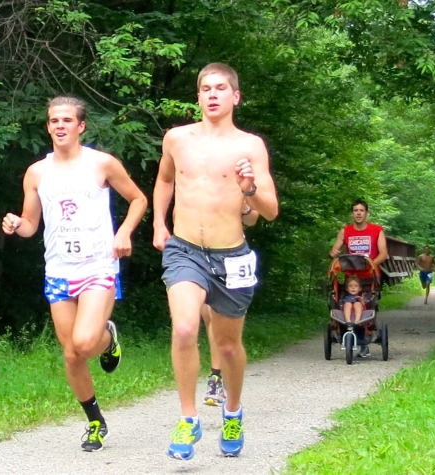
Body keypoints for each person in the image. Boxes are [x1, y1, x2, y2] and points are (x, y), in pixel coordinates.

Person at [1, 96, 147, 452]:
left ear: (81, 126)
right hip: (59, 269)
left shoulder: (101, 164)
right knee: (72, 354)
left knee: (84, 342)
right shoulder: (37, 172)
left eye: (67, 120)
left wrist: (124, 232)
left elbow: (138, 199)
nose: (60, 126)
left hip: (98, 265)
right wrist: (17, 224)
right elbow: (31, 224)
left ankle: (106, 337)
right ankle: (95, 422)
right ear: (48, 127)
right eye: (54, 121)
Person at [152, 63, 278, 460]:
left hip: (232, 256)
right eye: (205, 88)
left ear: (235, 96)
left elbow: (269, 210)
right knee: (186, 327)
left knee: (226, 346)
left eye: (221, 88)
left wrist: (249, 189)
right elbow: (165, 180)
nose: (212, 94)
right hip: (185, 248)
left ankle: (233, 411)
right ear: (198, 96)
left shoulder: (250, 146)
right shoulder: (176, 138)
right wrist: (159, 222)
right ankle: (189, 420)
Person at [202, 201, 259, 407]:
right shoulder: (193, 179)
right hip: (197, 255)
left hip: (230, 257)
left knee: (223, 326)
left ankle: (222, 379)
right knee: (208, 317)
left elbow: (254, 217)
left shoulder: (238, 178)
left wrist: (242, 205)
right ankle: (216, 377)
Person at [330, 199, 388, 357]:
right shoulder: (345, 231)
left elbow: (384, 254)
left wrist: (371, 265)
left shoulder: (377, 230)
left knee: (368, 305)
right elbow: (335, 249)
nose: (358, 213)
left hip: (370, 277)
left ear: (367, 213)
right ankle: (344, 332)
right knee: (342, 302)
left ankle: (366, 336)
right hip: (352, 279)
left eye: (361, 210)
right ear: (352, 213)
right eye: (355, 210)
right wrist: (334, 252)